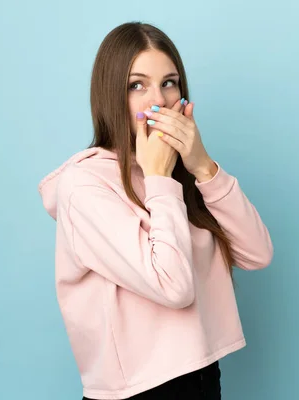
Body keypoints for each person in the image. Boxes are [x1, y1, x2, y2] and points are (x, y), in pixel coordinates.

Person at [38, 21, 273, 400]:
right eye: (137, 85)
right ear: (111, 94)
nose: (159, 100)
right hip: (138, 391)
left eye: (169, 82)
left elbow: (258, 253)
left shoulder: (178, 172)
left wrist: (203, 167)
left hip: (202, 374)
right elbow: (173, 286)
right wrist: (160, 176)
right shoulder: (84, 185)